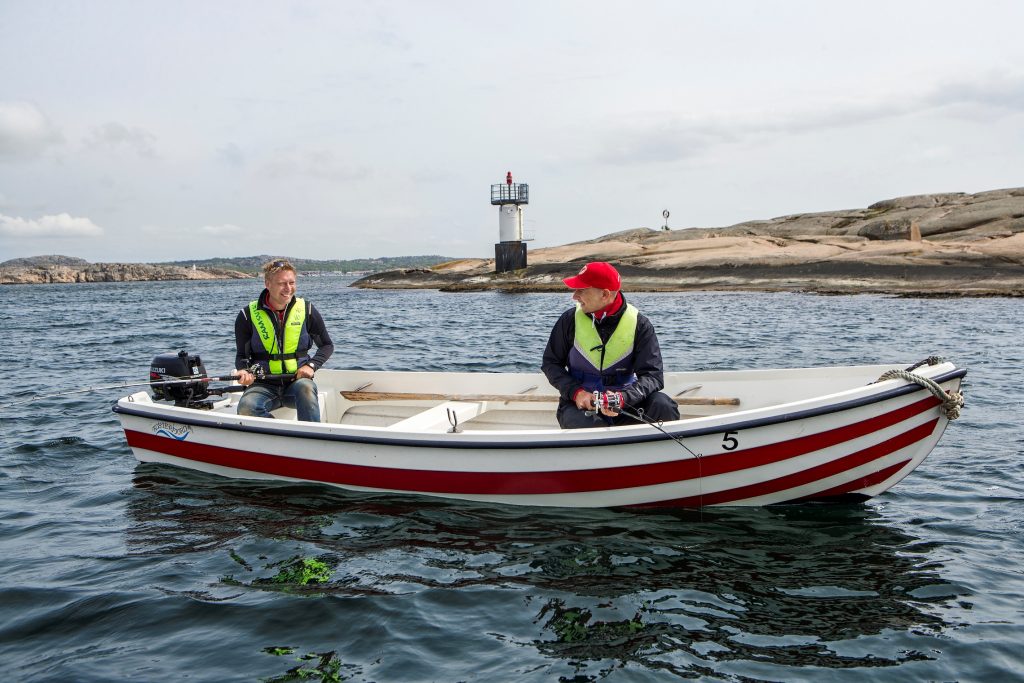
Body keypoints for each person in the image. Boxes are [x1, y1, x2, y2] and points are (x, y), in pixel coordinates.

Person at [542, 261, 679, 429]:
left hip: (627, 403)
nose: (575, 296)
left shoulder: (640, 324)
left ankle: (662, 453)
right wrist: (576, 393)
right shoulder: (568, 320)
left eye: (581, 290)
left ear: (605, 295)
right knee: (588, 427)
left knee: (663, 406)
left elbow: (653, 375)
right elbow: (551, 364)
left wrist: (623, 398)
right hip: (579, 406)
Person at [233, 259, 334, 422]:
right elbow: (241, 355)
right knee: (246, 407)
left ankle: (312, 439)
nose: (288, 289)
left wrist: (311, 365)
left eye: (292, 282)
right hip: (262, 385)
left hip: (297, 383)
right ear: (268, 284)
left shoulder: (307, 310)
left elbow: (327, 346)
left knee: (307, 389)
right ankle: (281, 437)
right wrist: (243, 370)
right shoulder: (246, 315)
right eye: (282, 283)